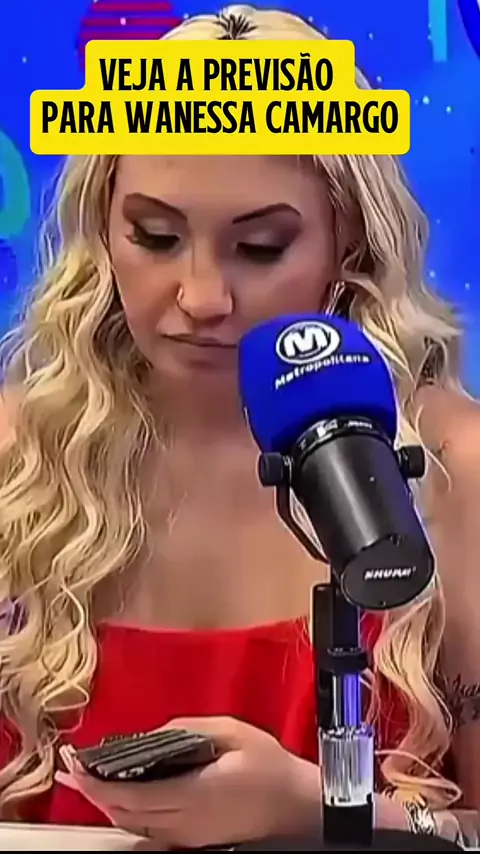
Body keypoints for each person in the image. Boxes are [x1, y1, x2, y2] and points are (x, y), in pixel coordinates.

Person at [1, 4, 480, 849]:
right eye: (155, 236)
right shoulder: (17, 457)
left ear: (348, 243)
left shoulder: (455, 471)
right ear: (103, 229)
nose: (200, 297)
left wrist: (322, 815)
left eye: (259, 247)